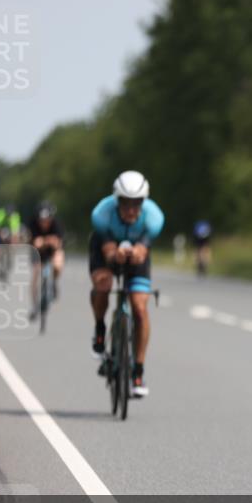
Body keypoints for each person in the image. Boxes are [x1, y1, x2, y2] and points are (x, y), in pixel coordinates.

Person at [89, 170, 164, 398]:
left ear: (144, 201)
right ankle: (100, 328)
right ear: (116, 200)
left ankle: (138, 371)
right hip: (106, 251)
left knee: (140, 308)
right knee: (103, 285)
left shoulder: (154, 217)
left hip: (137, 255)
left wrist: (138, 252)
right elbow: (108, 249)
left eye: (136, 203)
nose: (131, 209)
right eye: (125, 203)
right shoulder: (102, 214)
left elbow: (143, 247)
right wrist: (115, 255)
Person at [28, 202, 64, 319]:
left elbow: (57, 243)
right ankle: (34, 306)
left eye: (47, 220)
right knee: (36, 273)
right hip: (37, 252)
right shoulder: (32, 224)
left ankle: (54, 281)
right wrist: (44, 241)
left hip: (53, 250)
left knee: (58, 264)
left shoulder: (56, 224)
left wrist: (44, 241)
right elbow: (33, 243)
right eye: (41, 220)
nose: (44, 223)